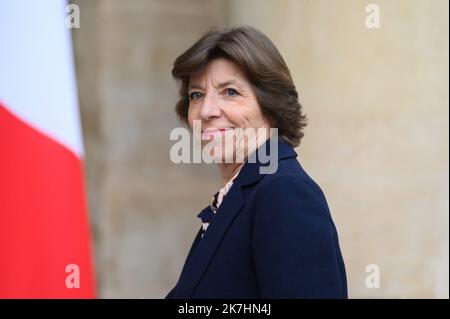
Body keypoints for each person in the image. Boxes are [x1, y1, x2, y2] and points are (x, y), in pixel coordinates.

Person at [166, 26, 347, 298]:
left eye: (230, 92)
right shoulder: (239, 196)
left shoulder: (284, 193)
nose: (206, 111)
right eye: (196, 95)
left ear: (270, 105)